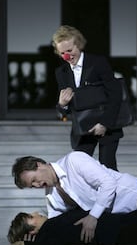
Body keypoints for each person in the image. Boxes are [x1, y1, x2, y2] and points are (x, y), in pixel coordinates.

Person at [11, 151, 137, 244]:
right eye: (32, 186)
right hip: (120, 216)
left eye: (34, 180)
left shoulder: (74, 161)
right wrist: (36, 239)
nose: (37, 185)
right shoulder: (51, 194)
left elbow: (108, 183)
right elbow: (55, 224)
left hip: (135, 196)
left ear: (39, 165)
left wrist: (92, 216)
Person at [0, 199, 137, 245]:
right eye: (31, 217)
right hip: (118, 229)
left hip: (118, 226)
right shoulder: (51, 230)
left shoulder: (53, 225)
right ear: (33, 231)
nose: (36, 214)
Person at [52, 25, 124, 171]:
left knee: (108, 169)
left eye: (70, 50)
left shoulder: (98, 63)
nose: (67, 56)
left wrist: (104, 124)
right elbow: (63, 113)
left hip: (107, 125)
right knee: (80, 170)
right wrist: (62, 104)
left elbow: (115, 95)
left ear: (78, 44)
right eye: (62, 53)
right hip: (82, 130)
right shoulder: (61, 72)